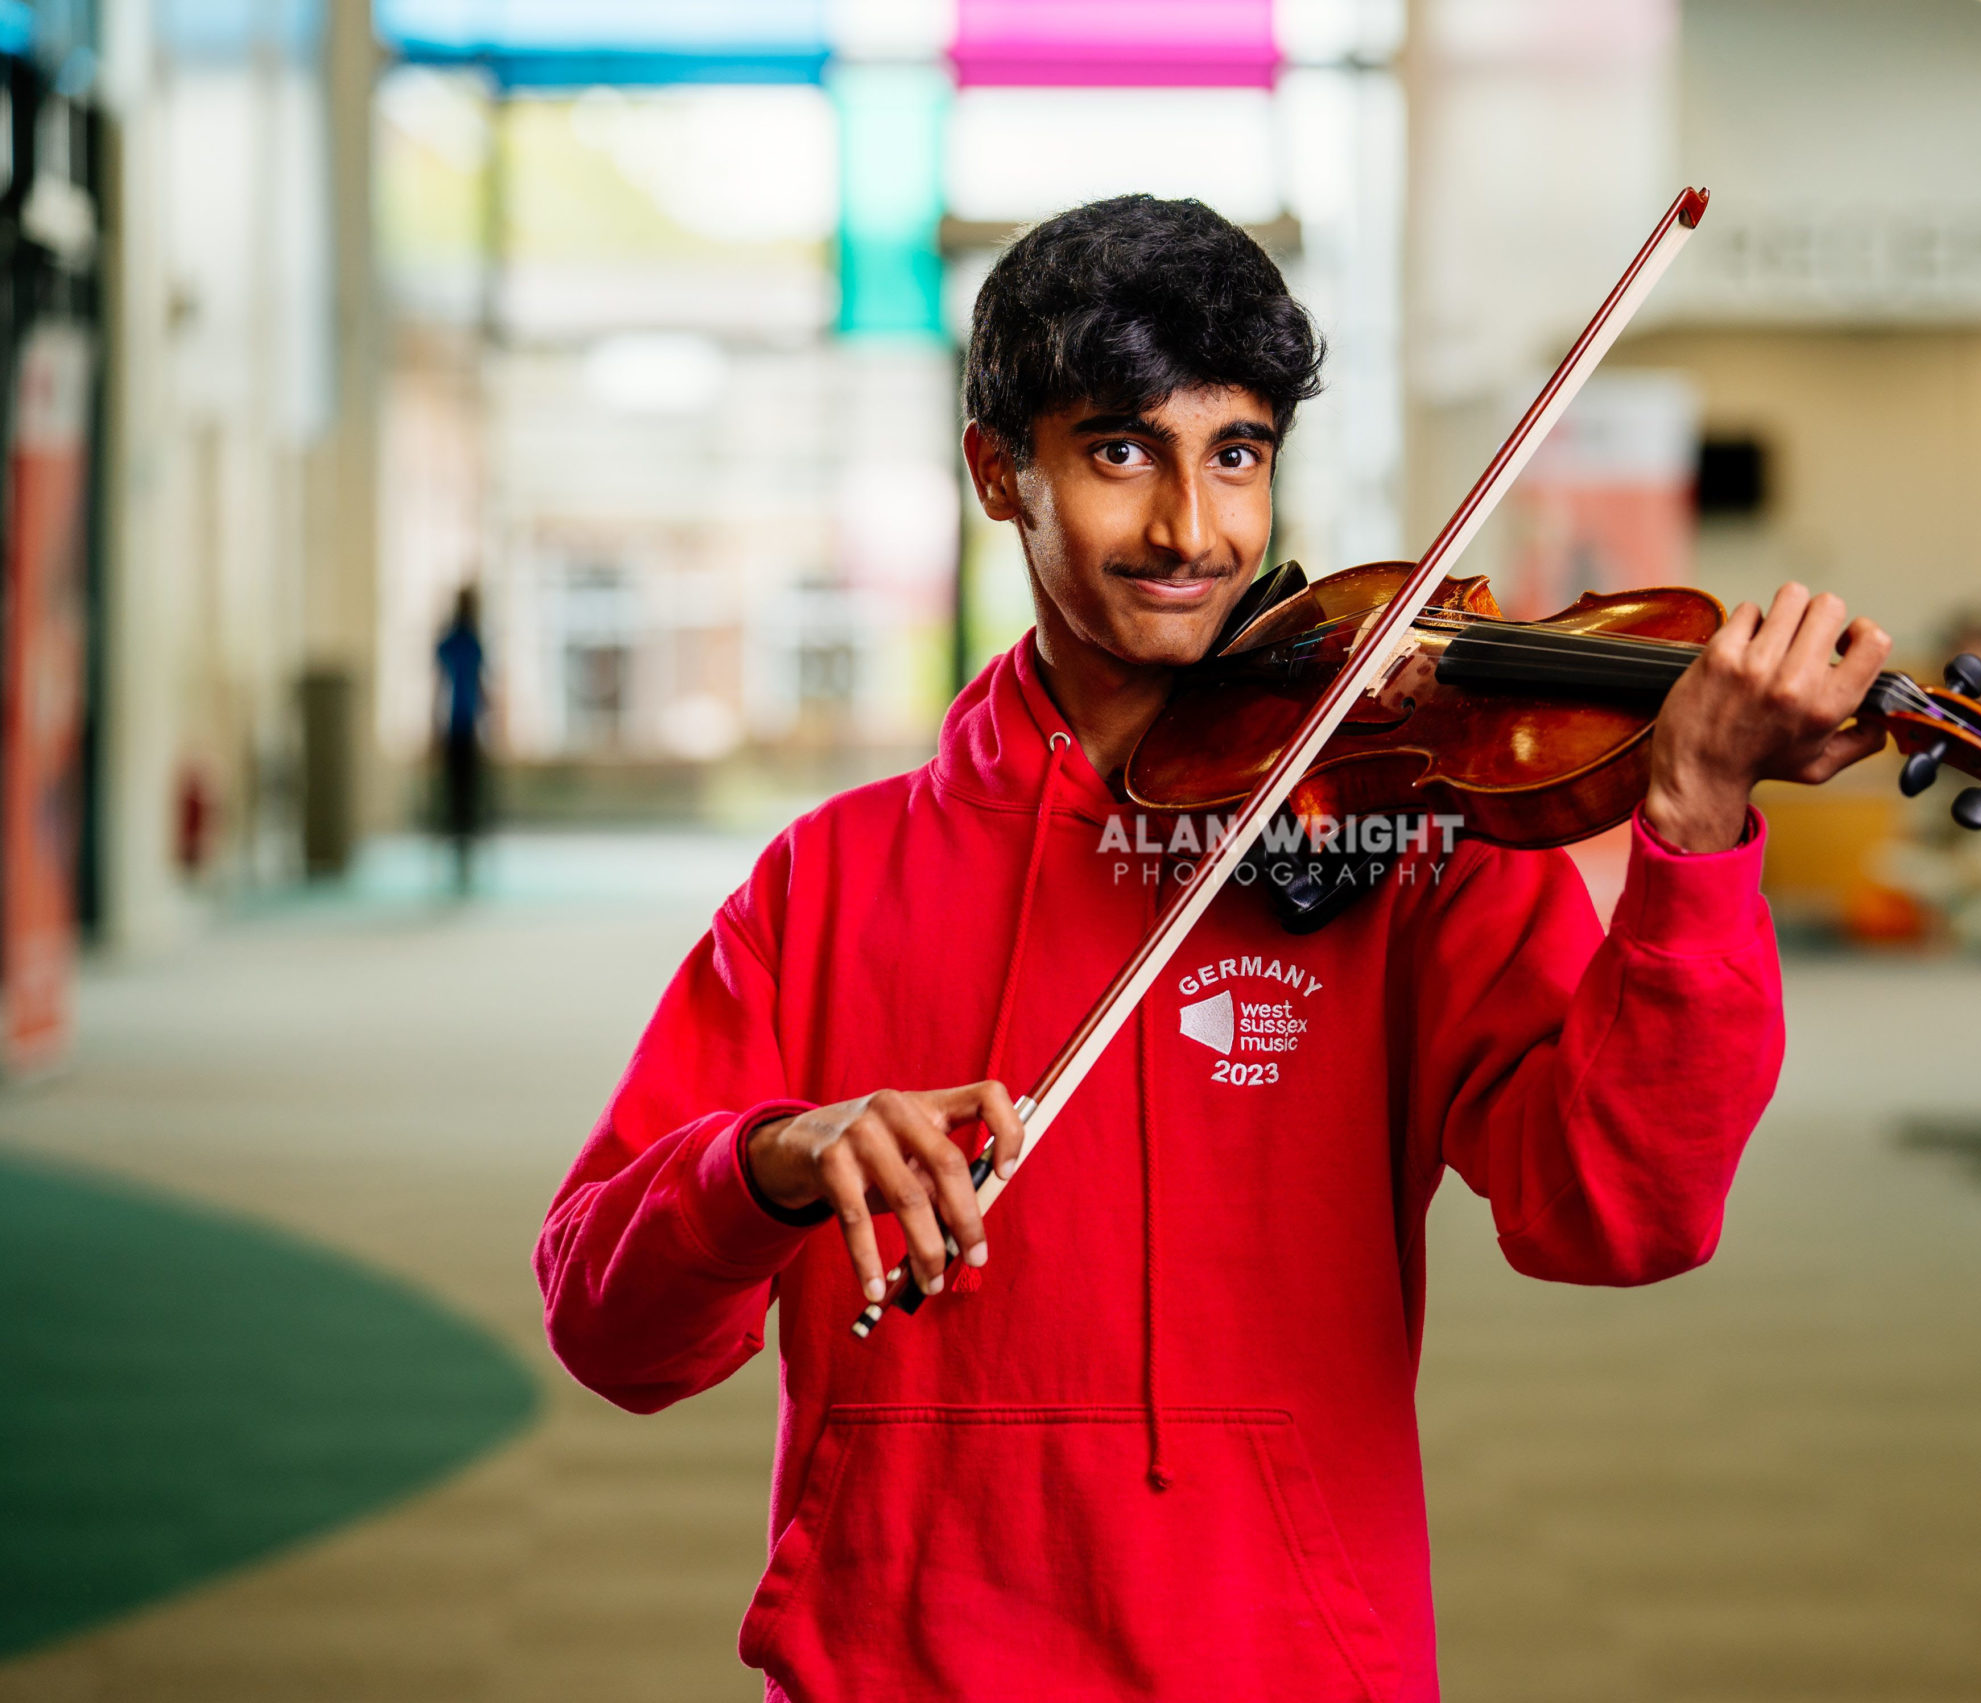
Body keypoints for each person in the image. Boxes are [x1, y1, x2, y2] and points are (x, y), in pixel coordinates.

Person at [535, 195, 1890, 1702]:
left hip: (1278, 1662)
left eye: (1236, 452)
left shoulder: (1402, 830)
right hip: (898, 1663)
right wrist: (770, 1157)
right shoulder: (828, 879)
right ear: (1002, 472)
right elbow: (611, 1327)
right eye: (1123, 449)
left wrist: (1693, 824)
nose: (1194, 529)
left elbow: (1621, 1212)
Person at [432, 585, 489, 892]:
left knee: (462, 791)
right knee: (460, 791)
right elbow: (446, 687)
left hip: (462, 726)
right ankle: (459, 842)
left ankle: (464, 842)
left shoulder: (462, 641)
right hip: (459, 726)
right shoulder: (462, 642)